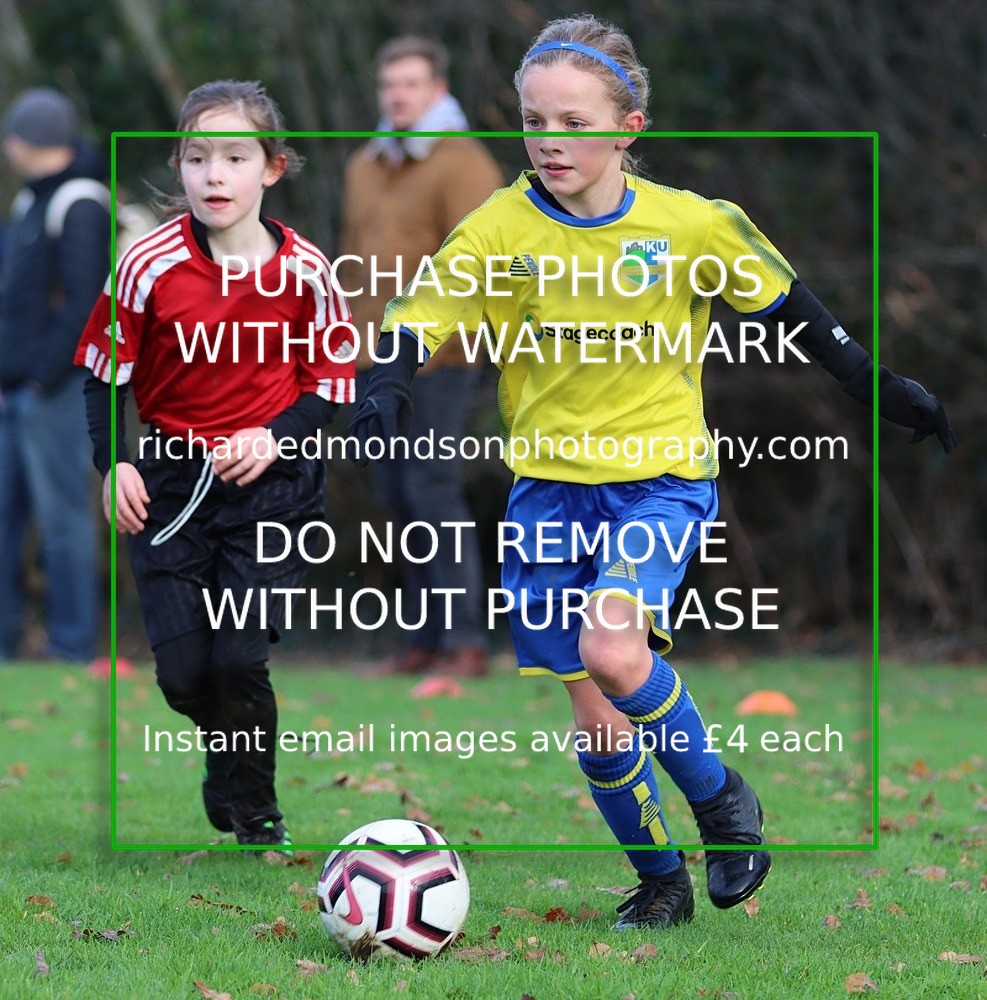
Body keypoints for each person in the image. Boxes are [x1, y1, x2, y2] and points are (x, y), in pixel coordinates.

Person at [350, 15, 955, 928]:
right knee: (596, 713)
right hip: (547, 492)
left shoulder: (689, 224)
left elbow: (790, 304)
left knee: (611, 648)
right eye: (532, 120)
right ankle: (660, 879)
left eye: (574, 121)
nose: (550, 140)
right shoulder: (502, 224)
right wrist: (387, 379)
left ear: (628, 125)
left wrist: (875, 384)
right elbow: (423, 307)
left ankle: (721, 803)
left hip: (659, 482)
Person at [76, 80, 356, 851]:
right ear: (179, 167)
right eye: (197, 157)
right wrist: (116, 465)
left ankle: (255, 807)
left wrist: (272, 436)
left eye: (234, 156)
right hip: (167, 486)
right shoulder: (145, 264)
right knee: (184, 678)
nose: (213, 175)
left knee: (237, 656)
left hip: (272, 490)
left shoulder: (308, 272)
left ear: (271, 167)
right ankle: (226, 752)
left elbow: (328, 385)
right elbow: (104, 373)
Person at [339, 36, 503, 678]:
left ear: (438, 89)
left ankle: (465, 642)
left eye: (410, 84)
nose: (397, 95)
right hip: (370, 359)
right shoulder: (363, 165)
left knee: (431, 488)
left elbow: (477, 264)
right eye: (389, 85)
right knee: (396, 495)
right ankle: (423, 640)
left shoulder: (463, 163)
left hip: (442, 357)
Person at [0, 87, 106, 662]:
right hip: (15, 392)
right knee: (4, 523)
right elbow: (17, 301)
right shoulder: (29, 203)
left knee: (63, 521)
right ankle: (6, 643)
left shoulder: (82, 202)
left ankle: (73, 645)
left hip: (56, 394)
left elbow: (87, 304)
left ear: (26, 142)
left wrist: (42, 378)